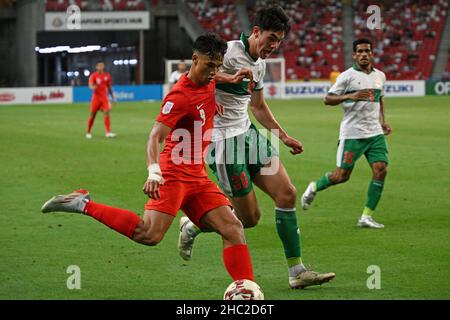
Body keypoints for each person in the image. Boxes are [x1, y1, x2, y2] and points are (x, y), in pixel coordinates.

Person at [41, 33, 255, 285]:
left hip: (197, 175)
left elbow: (213, 79)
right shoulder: (179, 97)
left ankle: (246, 290)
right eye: (210, 65)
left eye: (218, 66)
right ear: (194, 59)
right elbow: (154, 137)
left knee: (233, 228)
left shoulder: (209, 78)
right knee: (149, 234)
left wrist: (229, 76)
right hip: (173, 173)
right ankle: (82, 203)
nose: (213, 72)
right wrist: (154, 173)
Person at [178, 6, 335, 289]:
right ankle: (192, 225)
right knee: (249, 219)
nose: (274, 46)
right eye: (271, 38)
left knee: (286, 194)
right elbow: (195, 76)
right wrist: (230, 77)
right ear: (256, 32)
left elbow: (258, 106)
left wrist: (283, 136)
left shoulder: (259, 65)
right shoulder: (226, 52)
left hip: (249, 135)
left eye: (279, 41)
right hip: (223, 144)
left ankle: (296, 271)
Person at [301, 38, 392, 229]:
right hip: (352, 134)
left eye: (367, 51)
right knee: (341, 176)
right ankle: (314, 186)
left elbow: (380, 100)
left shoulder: (380, 76)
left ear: (372, 53)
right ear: (354, 55)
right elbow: (327, 99)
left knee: (381, 169)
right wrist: (349, 96)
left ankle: (366, 217)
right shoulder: (347, 76)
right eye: (359, 51)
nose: (364, 54)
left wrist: (383, 122)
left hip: (374, 133)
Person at [86, 61, 116, 139]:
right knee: (93, 115)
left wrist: (113, 97)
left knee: (106, 112)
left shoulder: (107, 76)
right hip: (96, 98)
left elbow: (109, 87)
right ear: (96, 67)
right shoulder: (93, 76)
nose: (100, 67)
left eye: (102, 65)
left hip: (104, 98)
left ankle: (108, 132)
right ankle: (88, 132)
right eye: (99, 65)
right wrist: (92, 87)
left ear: (103, 66)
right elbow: (90, 84)